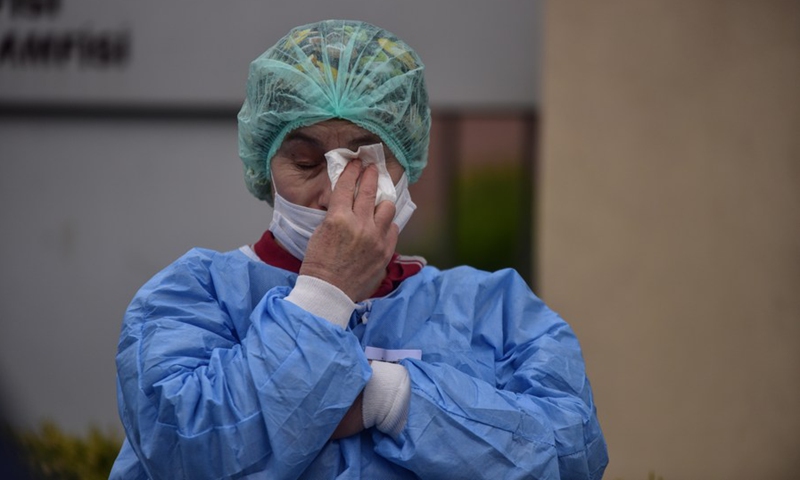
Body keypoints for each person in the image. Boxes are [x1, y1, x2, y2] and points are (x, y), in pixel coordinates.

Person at [110, 19, 608, 479]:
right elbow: (180, 450)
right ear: (264, 167)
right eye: (305, 162)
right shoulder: (191, 296)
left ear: (406, 165)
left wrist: (385, 397)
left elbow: (571, 453)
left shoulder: (494, 311)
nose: (332, 196)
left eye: (361, 161)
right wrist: (325, 294)